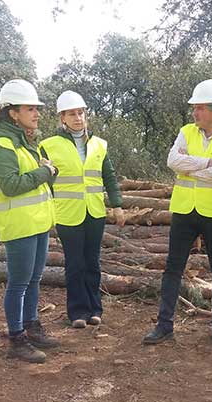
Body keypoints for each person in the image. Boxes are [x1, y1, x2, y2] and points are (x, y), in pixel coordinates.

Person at [141, 79, 212, 348]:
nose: (194, 113)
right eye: (194, 108)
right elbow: (172, 161)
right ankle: (164, 325)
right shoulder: (186, 131)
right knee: (172, 268)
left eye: (199, 108)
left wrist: (190, 168)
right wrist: (207, 163)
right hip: (184, 209)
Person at [0, 79, 58, 363]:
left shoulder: (26, 142)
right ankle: (16, 339)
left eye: (37, 108)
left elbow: (39, 178)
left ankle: (32, 326)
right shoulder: (1, 143)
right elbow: (10, 185)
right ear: (12, 112)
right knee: (18, 283)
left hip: (37, 223)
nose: (37, 113)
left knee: (34, 279)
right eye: (30, 108)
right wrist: (44, 172)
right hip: (19, 224)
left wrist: (48, 171)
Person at [39, 90, 124, 329]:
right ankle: (77, 312)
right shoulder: (47, 146)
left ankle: (95, 309)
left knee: (92, 262)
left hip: (95, 212)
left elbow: (109, 176)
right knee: (74, 264)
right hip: (67, 213)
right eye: (72, 114)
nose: (78, 118)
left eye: (81, 113)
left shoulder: (99, 145)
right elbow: (45, 182)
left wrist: (117, 206)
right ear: (62, 118)